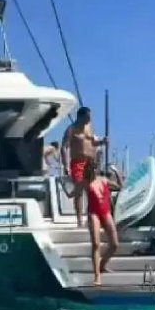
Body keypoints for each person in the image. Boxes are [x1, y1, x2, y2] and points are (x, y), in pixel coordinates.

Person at [61, 106, 107, 226]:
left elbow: (93, 142)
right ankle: (79, 220)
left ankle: (91, 218)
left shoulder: (88, 127)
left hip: (90, 163)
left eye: (90, 117)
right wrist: (65, 165)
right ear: (81, 117)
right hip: (78, 162)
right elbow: (64, 147)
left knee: (91, 191)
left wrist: (102, 141)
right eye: (87, 117)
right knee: (79, 192)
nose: (89, 119)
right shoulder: (71, 129)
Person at [79, 157, 119, 286]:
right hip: (93, 213)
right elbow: (74, 194)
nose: (93, 171)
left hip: (105, 212)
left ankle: (102, 265)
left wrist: (117, 172)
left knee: (114, 244)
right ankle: (97, 275)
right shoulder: (85, 182)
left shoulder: (104, 180)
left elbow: (120, 186)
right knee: (96, 244)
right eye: (91, 169)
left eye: (94, 169)